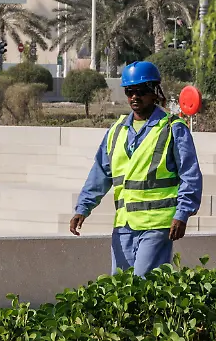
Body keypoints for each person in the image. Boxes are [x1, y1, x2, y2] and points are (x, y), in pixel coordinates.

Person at [69, 60, 203, 275]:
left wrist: (182, 213)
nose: (134, 96)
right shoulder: (117, 130)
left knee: (144, 282)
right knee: (121, 286)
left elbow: (190, 175)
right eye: (129, 91)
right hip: (124, 225)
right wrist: (82, 208)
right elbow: (100, 174)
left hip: (157, 225)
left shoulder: (173, 128)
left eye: (140, 91)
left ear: (154, 92)